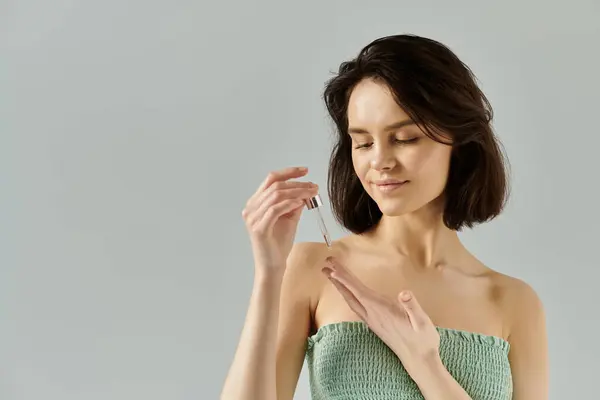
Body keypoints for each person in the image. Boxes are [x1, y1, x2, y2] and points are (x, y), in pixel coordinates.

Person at [220, 34, 548, 400]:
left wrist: (424, 362)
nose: (379, 162)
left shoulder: (513, 302)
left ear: (460, 142)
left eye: (404, 138)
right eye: (362, 143)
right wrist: (268, 274)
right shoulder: (316, 267)